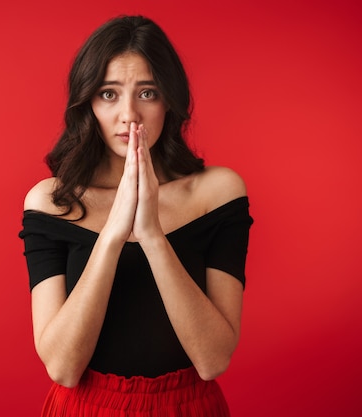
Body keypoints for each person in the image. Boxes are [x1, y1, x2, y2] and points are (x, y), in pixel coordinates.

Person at [19, 15, 253, 417]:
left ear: (170, 100)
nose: (130, 115)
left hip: (188, 406)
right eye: (109, 94)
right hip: (86, 408)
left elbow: (213, 360)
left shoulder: (218, 192)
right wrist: (112, 234)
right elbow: (62, 368)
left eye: (147, 92)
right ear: (87, 103)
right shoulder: (51, 202)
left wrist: (152, 236)